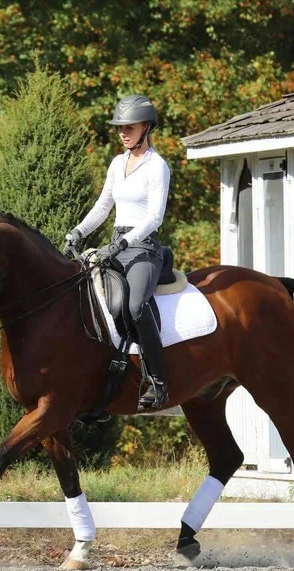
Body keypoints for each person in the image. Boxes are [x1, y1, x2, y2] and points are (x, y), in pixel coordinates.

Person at [63, 94, 170, 411]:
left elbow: (155, 217)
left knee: (136, 305)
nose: (123, 132)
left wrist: (125, 242)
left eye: (130, 127)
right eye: (120, 127)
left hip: (143, 248)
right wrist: (78, 231)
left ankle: (158, 382)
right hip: (115, 245)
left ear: (146, 127)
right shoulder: (116, 163)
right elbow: (103, 206)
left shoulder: (157, 167)